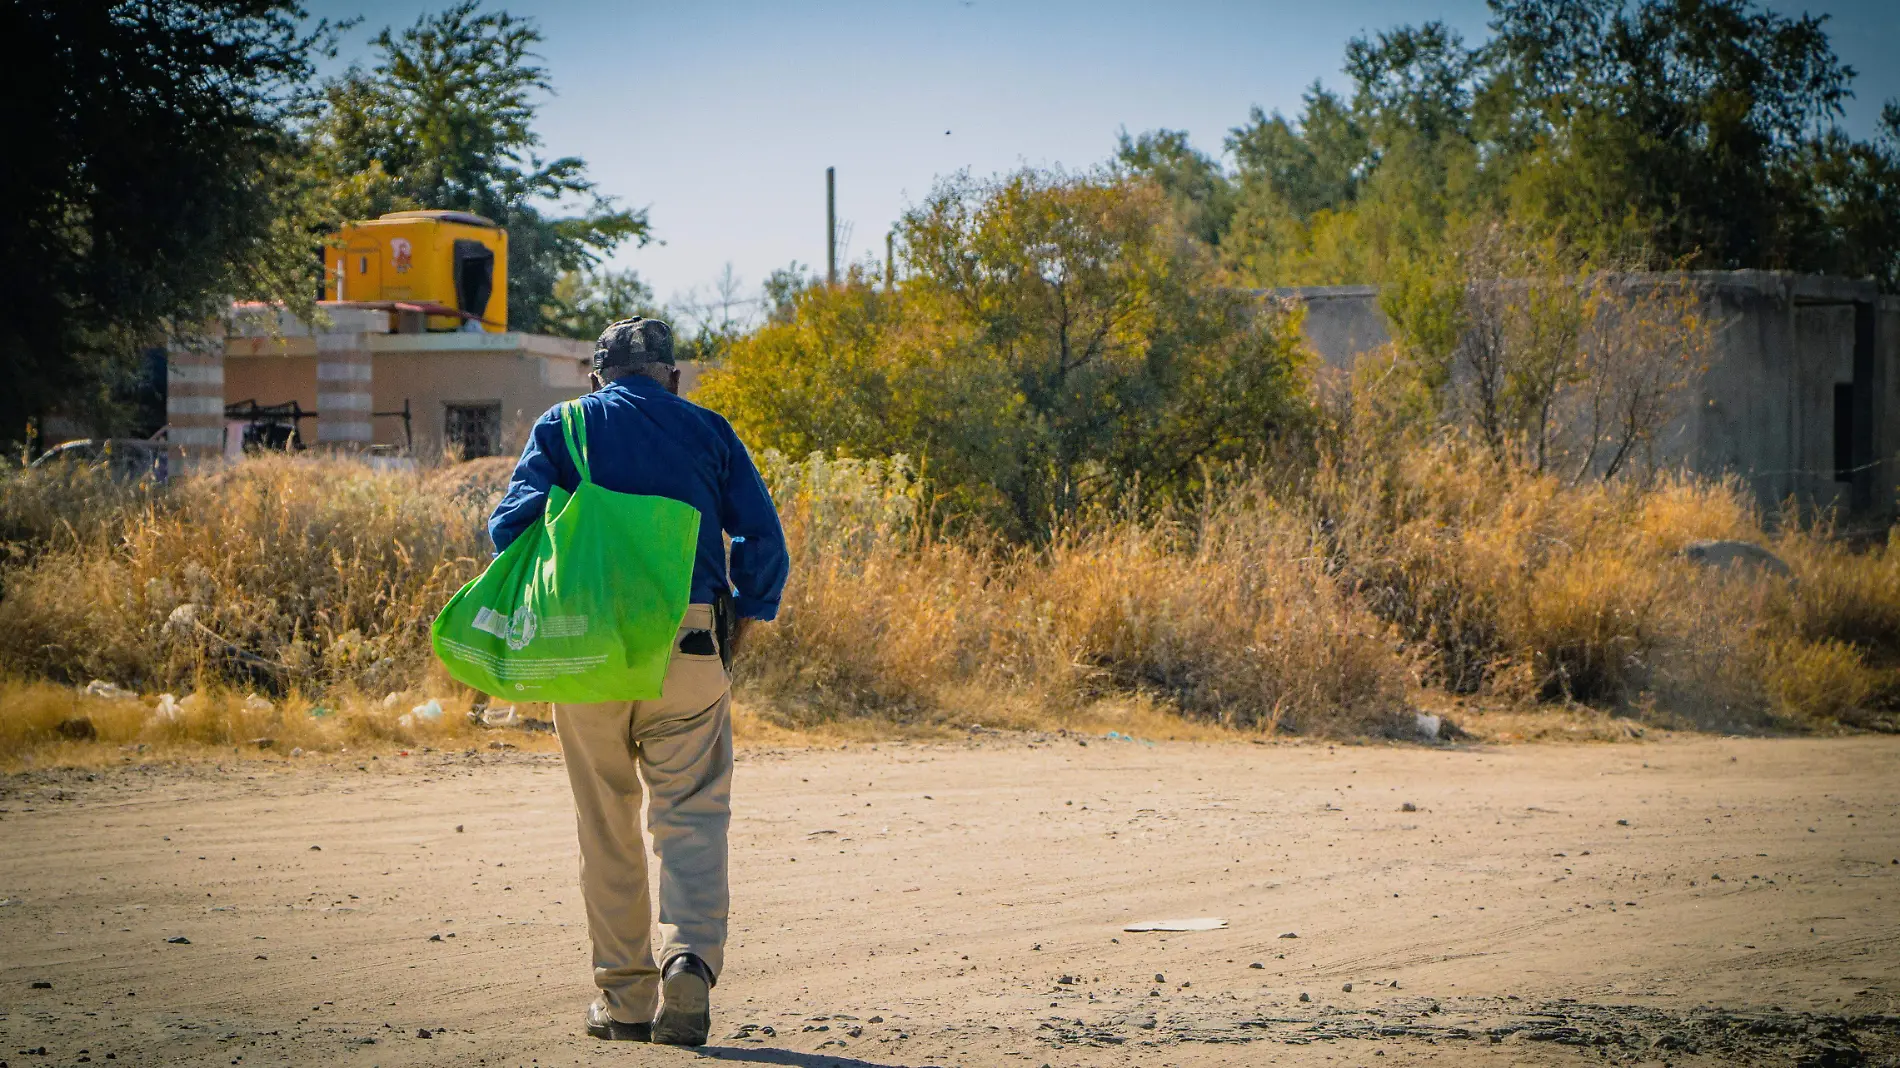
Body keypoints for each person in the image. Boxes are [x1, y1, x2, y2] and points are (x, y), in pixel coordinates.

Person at [488, 316, 788, 1046]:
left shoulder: (566, 426)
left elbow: (509, 528)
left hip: (585, 649)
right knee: (691, 812)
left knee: (606, 822)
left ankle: (624, 1001)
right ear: (673, 378)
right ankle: (687, 957)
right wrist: (742, 618)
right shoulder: (708, 429)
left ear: (597, 381)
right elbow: (762, 543)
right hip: (686, 646)